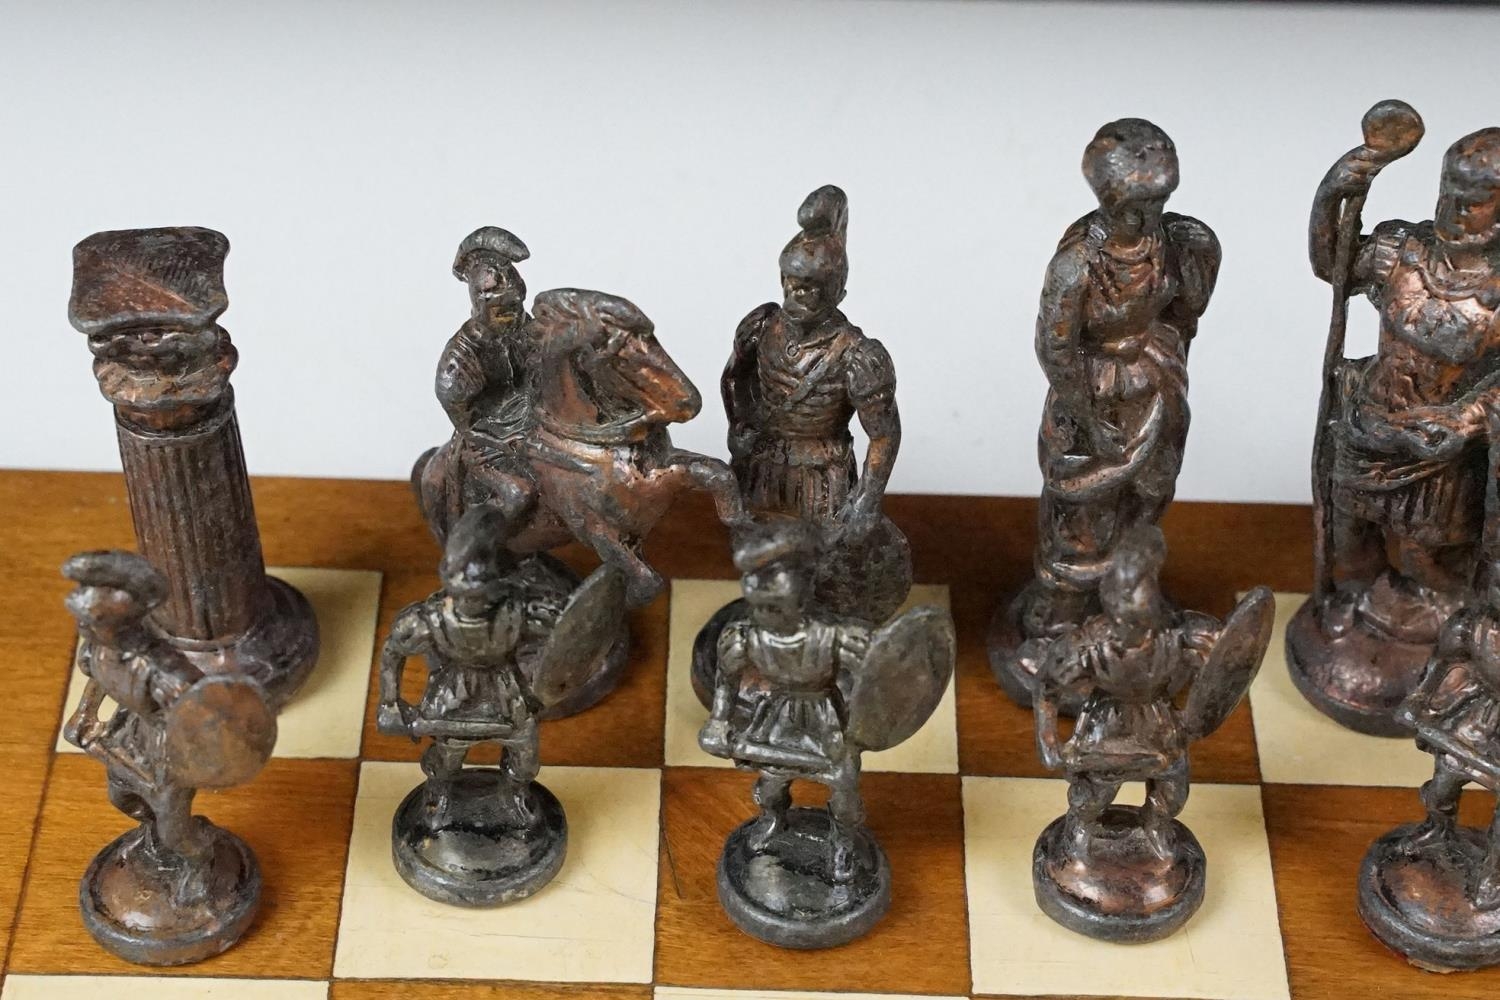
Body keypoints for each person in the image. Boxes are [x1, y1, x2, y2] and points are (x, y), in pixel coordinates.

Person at [1019, 119, 1221, 643]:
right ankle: (1062, 611)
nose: (1149, 216)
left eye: (1158, 202)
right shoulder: (1078, 265)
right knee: (1082, 505)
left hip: (1153, 383)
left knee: (1147, 493)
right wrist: (1088, 419)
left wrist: (1202, 257)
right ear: (1108, 200)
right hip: (1093, 393)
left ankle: (1126, 596)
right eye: (1136, 206)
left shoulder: (1173, 243)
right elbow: (1055, 348)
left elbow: (1186, 309)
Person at [1310, 129, 1500, 643]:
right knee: (1349, 535)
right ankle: (1354, 608)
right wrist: (1337, 188)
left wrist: (1465, 420)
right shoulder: (1402, 252)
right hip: (1370, 421)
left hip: (1440, 447)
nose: (1455, 210)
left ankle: (1444, 632)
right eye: (1449, 193)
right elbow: (1333, 265)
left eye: (1474, 202)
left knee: (1427, 556)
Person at [699, 520, 872, 881]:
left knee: (843, 783)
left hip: (824, 716)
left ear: (801, 598)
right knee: (772, 781)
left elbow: (872, 680)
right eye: (760, 607)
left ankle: (843, 840)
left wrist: (861, 724)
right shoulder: (744, 638)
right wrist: (719, 720)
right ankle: (773, 819)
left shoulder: (834, 636)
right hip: (778, 716)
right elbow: (726, 679)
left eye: (776, 607)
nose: (766, 617)